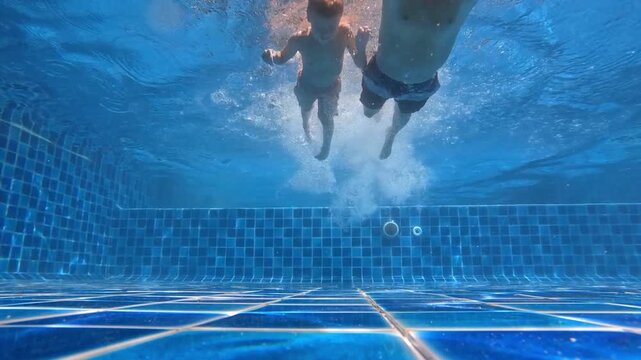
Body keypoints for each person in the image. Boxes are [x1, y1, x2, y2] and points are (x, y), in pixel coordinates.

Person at [360, 0, 478, 159]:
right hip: (381, 75)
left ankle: (391, 135)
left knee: (403, 117)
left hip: (421, 84)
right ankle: (379, 113)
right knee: (368, 113)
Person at [262, 0, 370, 160]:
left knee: (326, 118)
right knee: (306, 109)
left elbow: (360, 64)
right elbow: (282, 58)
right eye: (320, 28)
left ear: (339, 19)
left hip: (332, 87)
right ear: (309, 17)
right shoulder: (299, 39)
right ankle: (306, 128)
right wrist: (271, 55)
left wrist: (361, 48)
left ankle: (326, 146)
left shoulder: (344, 33)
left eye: (331, 27)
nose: (326, 33)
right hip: (306, 85)